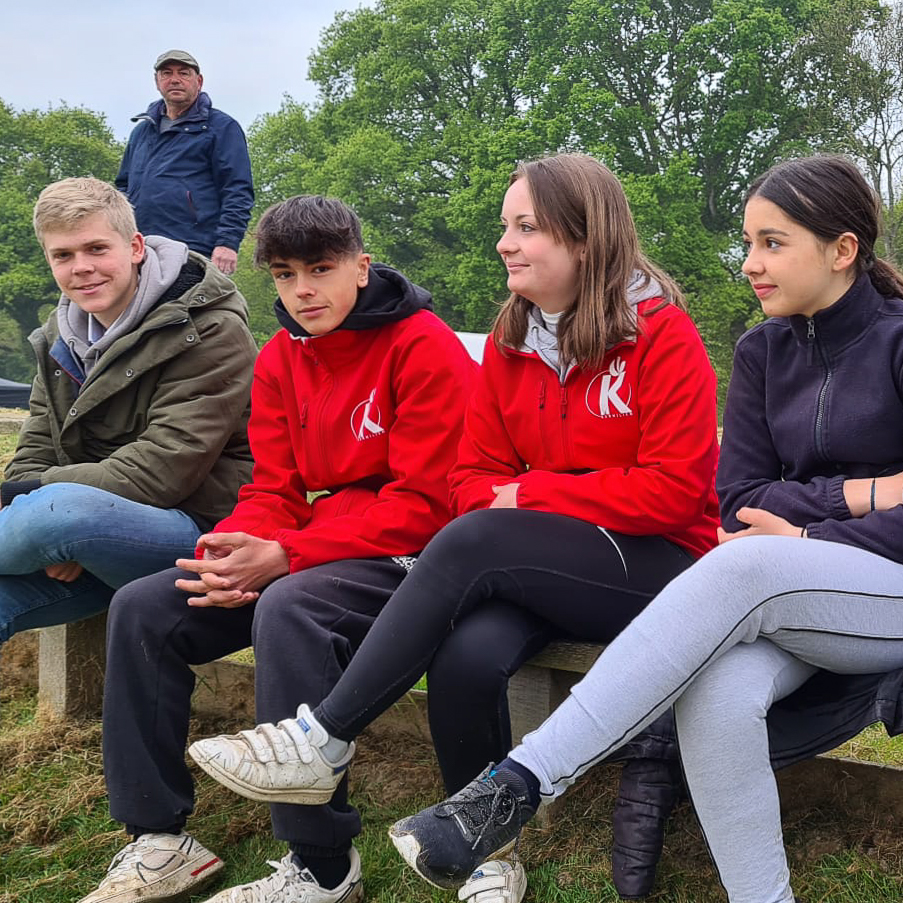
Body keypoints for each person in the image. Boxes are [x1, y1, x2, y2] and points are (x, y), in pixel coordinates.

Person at [187, 153, 721, 903]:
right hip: (540, 561)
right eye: (505, 226)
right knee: (467, 654)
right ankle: (481, 850)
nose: (504, 242)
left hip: (657, 564)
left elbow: (672, 492)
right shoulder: (510, 340)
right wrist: (523, 499)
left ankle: (323, 735)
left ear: (584, 237)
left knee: (471, 541)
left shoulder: (662, 336)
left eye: (525, 226)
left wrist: (530, 491)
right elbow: (469, 481)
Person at [384, 154, 903, 903]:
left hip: (878, 589)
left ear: (841, 249)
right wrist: (866, 493)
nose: (750, 264)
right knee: (716, 694)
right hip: (796, 593)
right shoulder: (759, 351)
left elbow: (755, 528)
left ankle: (516, 784)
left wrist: (806, 535)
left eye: (771, 243)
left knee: (738, 569)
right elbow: (739, 501)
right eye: (747, 243)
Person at [79, 194, 476, 903]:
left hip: (419, 553)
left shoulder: (423, 344)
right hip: (320, 544)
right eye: (286, 275)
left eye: (320, 269)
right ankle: (157, 837)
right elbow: (274, 486)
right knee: (146, 606)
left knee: (290, 606)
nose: (302, 290)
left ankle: (322, 865)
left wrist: (287, 555)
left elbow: (426, 505)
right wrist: (237, 547)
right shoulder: (280, 360)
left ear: (361, 266)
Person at [0, 176, 255, 647]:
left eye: (97, 249)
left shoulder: (210, 329)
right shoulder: (59, 337)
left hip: (196, 526)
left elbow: (162, 470)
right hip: (85, 531)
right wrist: (58, 532)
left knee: (58, 513)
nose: (82, 268)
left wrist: (55, 515)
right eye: (63, 255)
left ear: (136, 247)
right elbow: (36, 447)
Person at [116, 50, 254, 276]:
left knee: (189, 311)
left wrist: (228, 242)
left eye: (184, 73)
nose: (175, 79)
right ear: (157, 81)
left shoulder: (221, 128)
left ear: (198, 81)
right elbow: (122, 188)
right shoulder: (141, 132)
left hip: (194, 248)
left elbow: (237, 190)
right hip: (140, 249)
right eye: (167, 73)